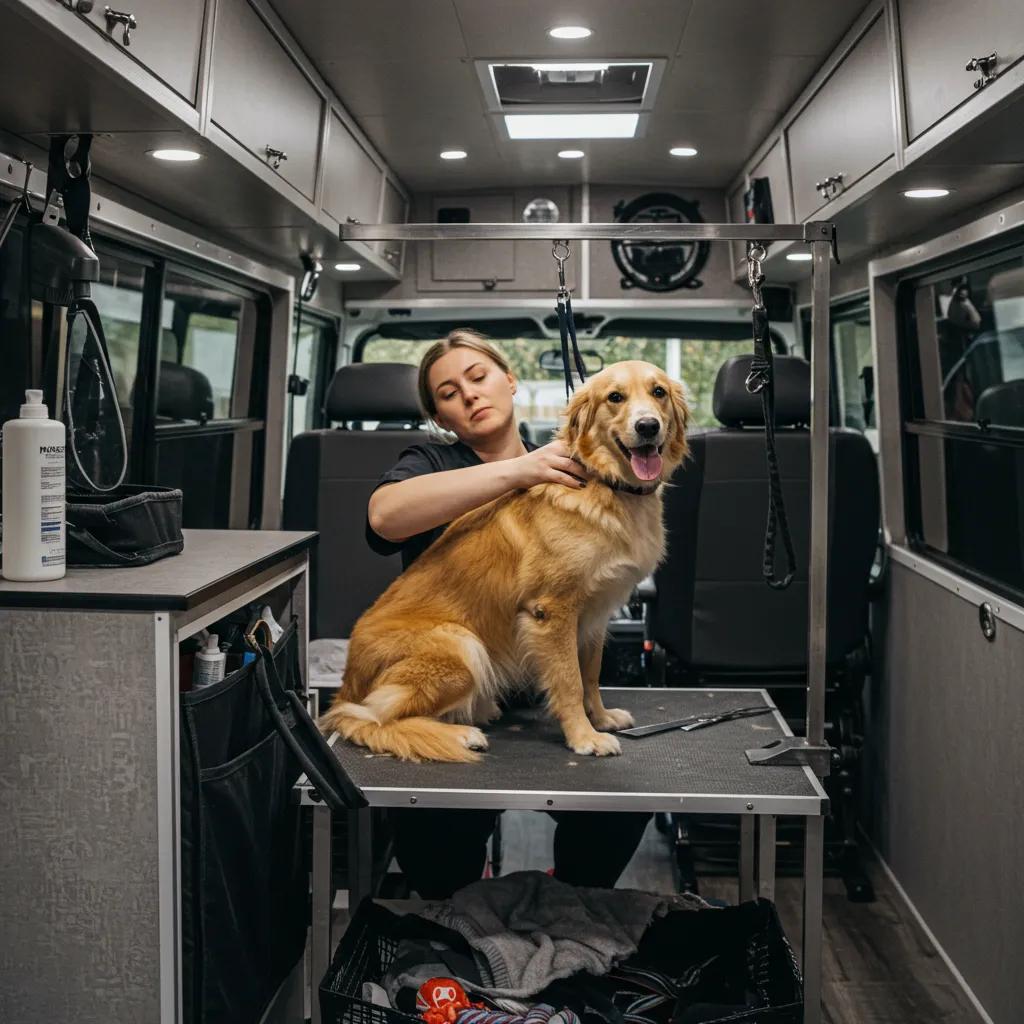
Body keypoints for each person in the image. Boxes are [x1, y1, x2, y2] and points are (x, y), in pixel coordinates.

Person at [364, 328, 651, 898]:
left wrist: (587, 705)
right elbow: (384, 517)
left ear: (510, 379)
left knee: (619, 810)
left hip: (535, 698)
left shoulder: (572, 463)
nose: (469, 395)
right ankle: (466, 920)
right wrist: (520, 472)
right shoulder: (431, 460)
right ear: (441, 417)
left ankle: (566, 908)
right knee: (437, 849)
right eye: (448, 393)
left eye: (478, 376)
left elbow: (574, 604)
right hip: (457, 680)